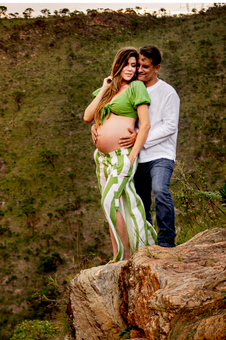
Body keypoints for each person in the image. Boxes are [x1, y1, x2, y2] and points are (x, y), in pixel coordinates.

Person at [84, 47, 157, 262]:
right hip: (103, 158)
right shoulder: (108, 89)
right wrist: (106, 86)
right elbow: (88, 116)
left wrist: (132, 157)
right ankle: (119, 254)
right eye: (126, 64)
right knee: (116, 204)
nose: (130, 68)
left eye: (134, 65)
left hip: (122, 156)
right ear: (118, 65)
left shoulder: (136, 87)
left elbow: (145, 126)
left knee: (110, 201)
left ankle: (124, 255)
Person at [118, 45, 181, 248]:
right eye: (139, 66)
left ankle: (166, 240)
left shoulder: (168, 93)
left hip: (161, 154)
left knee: (160, 190)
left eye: (145, 66)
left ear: (157, 68)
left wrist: (140, 138)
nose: (140, 70)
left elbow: (169, 126)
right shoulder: (132, 88)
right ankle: (147, 240)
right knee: (140, 199)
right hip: (137, 155)